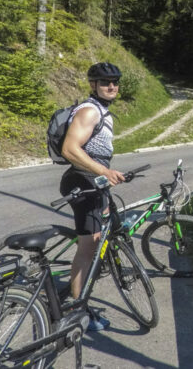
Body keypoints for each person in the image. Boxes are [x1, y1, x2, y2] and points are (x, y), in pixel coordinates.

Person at [60, 62, 126, 331]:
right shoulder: (89, 111)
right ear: (93, 85)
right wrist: (103, 170)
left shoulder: (101, 111)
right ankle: (78, 311)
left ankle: (77, 291)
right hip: (82, 182)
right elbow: (69, 148)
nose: (111, 86)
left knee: (94, 240)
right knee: (87, 250)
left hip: (93, 182)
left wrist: (105, 174)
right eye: (104, 82)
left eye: (114, 82)